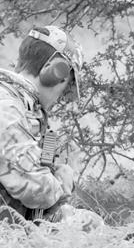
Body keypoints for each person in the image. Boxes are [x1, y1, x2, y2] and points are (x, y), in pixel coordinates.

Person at [0, 25, 83, 224]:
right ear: (54, 71)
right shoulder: (6, 107)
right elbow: (35, 189)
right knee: (89, 225)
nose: (61, 96)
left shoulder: (22, 107)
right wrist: (64, 180)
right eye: (66, 86)